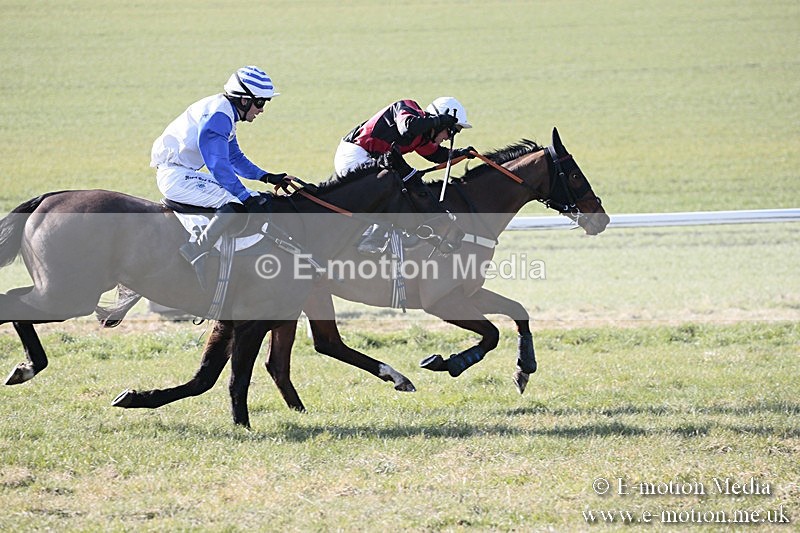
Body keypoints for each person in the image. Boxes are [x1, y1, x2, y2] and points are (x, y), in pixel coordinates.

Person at [151, 65, 294, 286]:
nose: (262, 109)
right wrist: (246, 197)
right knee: (237, 200)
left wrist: (267, 177)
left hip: (181, 173)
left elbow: (234, 158)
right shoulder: (218, 115)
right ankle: (196, 250)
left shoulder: (224, 111)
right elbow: (218, 164)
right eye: (260, 102)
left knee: (248, 195)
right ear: (244, 100)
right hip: (175, 177)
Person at [333, 97, 474, 253]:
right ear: (441, 121)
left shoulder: (422, 137)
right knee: (396, 188)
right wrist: (439, 120)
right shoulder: (407, 106)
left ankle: (379, 235)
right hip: (355, 153)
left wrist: (462, 153)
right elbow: (407, 127)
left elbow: (437, 155)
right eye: (452, 130)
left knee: (406, 185)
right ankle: (372, 238)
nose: (449, 137)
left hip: (373, 160)